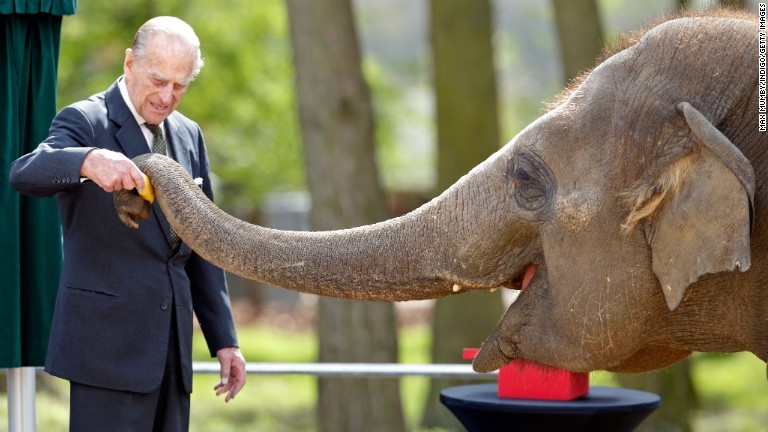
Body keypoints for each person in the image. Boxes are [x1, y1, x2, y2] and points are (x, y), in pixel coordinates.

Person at [10, 16, 246, 431]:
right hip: (106, 353)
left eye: (180, 85)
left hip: (172, 352)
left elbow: (204, 242)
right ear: (129, 63)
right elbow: (25, 173)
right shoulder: (85, 120)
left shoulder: (189, 135)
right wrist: (86, 160)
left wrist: (225, 339)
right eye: (158, 80)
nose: (167, 96)